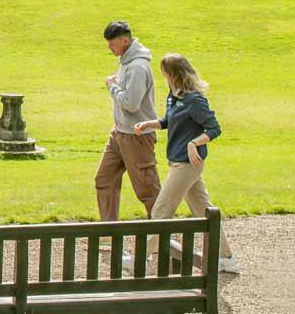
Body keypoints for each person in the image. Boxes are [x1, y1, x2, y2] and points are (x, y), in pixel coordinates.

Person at [134, 53, 239, 274]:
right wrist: (148, 124)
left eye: (165, 74)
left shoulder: (195, 100)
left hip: (187, 164)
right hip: (177, 161)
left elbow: (214, 128)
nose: (164, 78)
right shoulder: (173, 96)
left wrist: (195, 142)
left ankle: (140, 259)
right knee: (204, 211)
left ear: (173, 74)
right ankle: (227, 258)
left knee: (162, 209)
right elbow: (168, 121)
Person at [94, 20, 160, 222]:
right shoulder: (126, 61)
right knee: (104, 179)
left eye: (112, 44)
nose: (109, 48)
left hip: (137, 136)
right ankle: (109, 234)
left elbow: (131, 104)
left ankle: (162, 233)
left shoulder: (138, 67)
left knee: (147, 189)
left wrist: (112, 87)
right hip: (119, 133)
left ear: (125, 41)